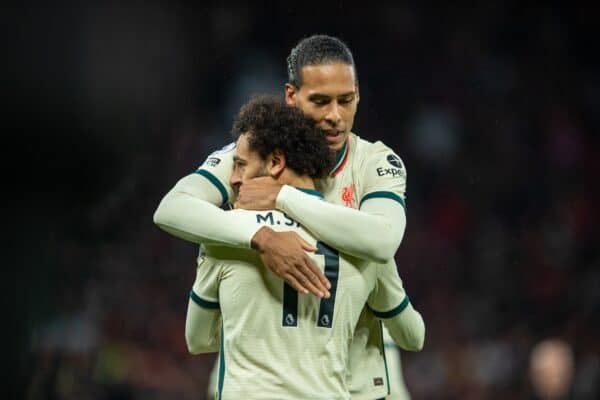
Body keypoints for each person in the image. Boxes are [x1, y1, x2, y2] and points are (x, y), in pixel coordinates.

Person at [154, 34, 422, 399]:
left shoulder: (375, 162)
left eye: (346, 100)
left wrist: (283, 197)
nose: (335, 116)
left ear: (358, 93)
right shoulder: (252, 154)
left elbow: (384, 239)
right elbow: (172, 208)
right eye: (320, 101)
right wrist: (260, 237)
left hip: (354, 386)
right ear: (291, 97)